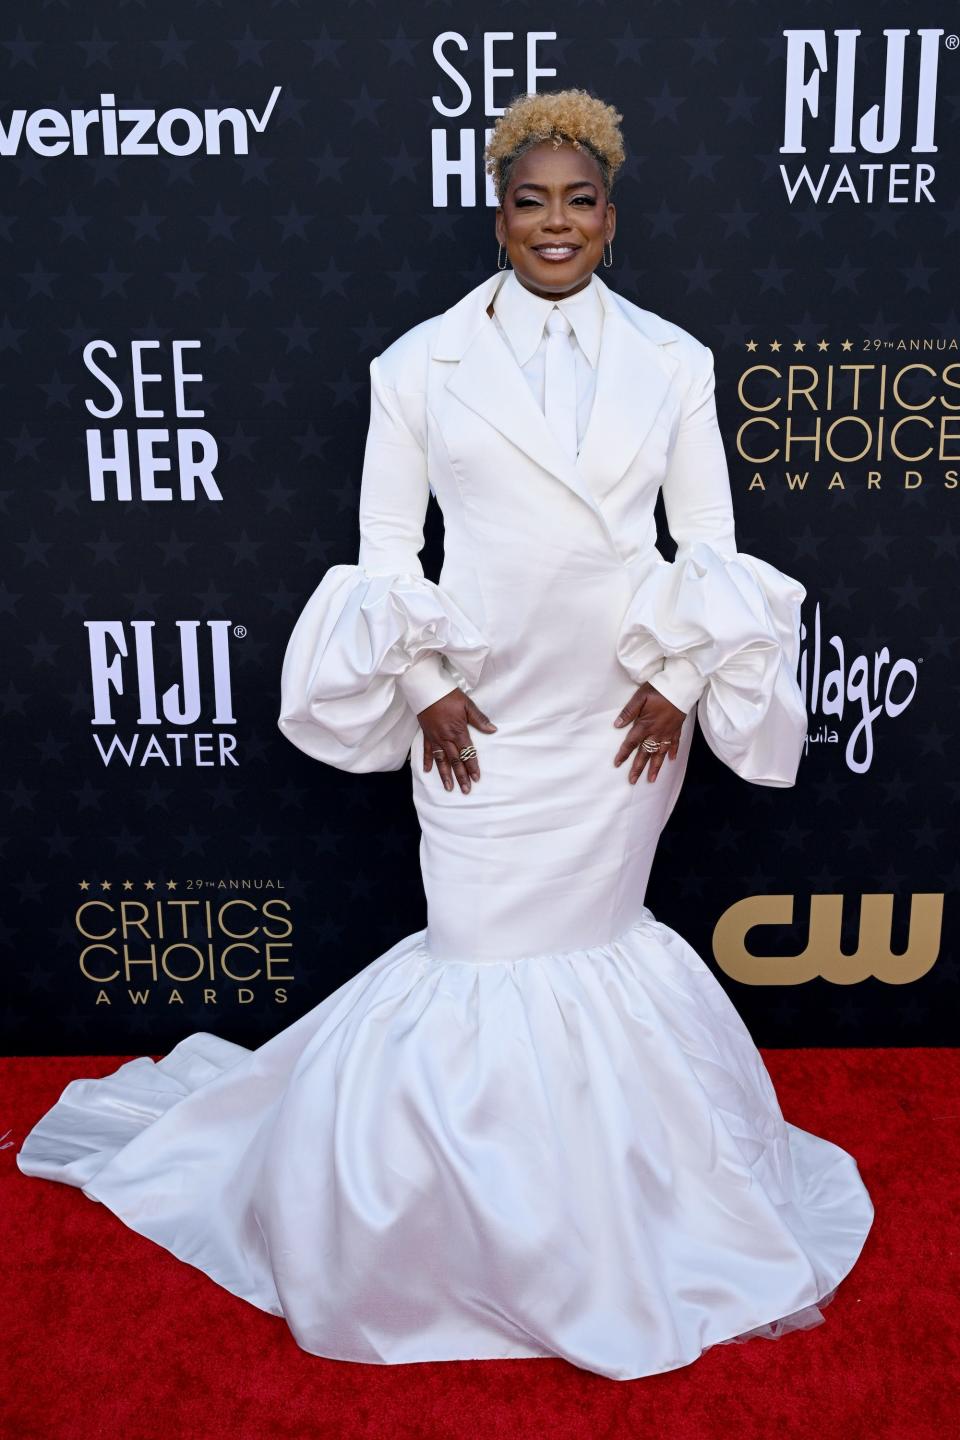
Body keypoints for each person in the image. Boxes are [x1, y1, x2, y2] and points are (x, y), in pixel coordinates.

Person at [16, 88, 874, 1382]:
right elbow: (379, 551)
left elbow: (704, 544)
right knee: (478, 950)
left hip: (620, 716)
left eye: (579, 201)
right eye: (531, 200)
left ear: (611, 215)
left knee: (591, 942)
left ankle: (619, 1227)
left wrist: (683, 674)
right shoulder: (417, 366)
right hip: (481, 707)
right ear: (498, 213)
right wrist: (422, 688)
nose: (556, 223)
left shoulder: (673, 363)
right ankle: (460, 1236)